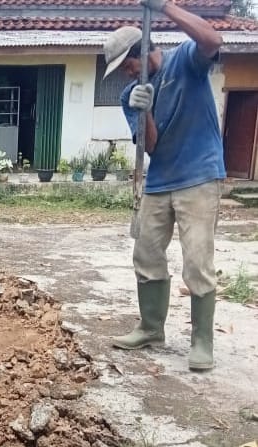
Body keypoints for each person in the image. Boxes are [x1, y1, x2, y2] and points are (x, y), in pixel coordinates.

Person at [103, 0, 224, 371]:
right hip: (160, 179)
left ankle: (202, 341)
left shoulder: (185, 60)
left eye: (128, 67)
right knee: (147, 254)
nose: (127, 76)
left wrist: (167, 6)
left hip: (199, 175)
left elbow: (212, 40)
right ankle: (152, 327)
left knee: (197, 259)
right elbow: (149, 145)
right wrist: (145, 110)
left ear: (142, 50)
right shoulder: (130, 95)